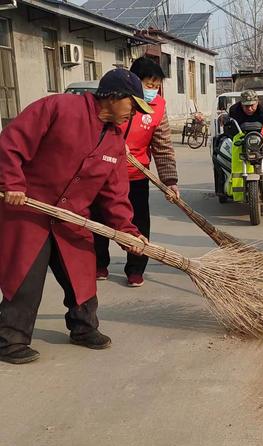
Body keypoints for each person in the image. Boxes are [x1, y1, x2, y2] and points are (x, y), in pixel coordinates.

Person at [0, 68, 150, 364]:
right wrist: (12, 184)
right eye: (131, 105)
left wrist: (127, 232)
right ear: (114, 97)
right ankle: (10, 339)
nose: (131, 113)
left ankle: (83, 328)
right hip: (29, 208)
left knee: (81, 272)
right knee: (26, 276)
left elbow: (115, 194)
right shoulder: (57, 108)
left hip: (72, 217)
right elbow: (10, 144)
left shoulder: (115, 141)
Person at [94, 56, 179, 287]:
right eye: (149, 85)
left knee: (139, 223)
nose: (153, 90)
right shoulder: (115, 101)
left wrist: (169, 180)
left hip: (136, 175)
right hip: (104, 174)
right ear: (134, 81)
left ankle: (135, 268)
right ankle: (99, 263)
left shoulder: (158, 107)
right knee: (99, 219)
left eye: (157, 85)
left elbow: (162, 145)